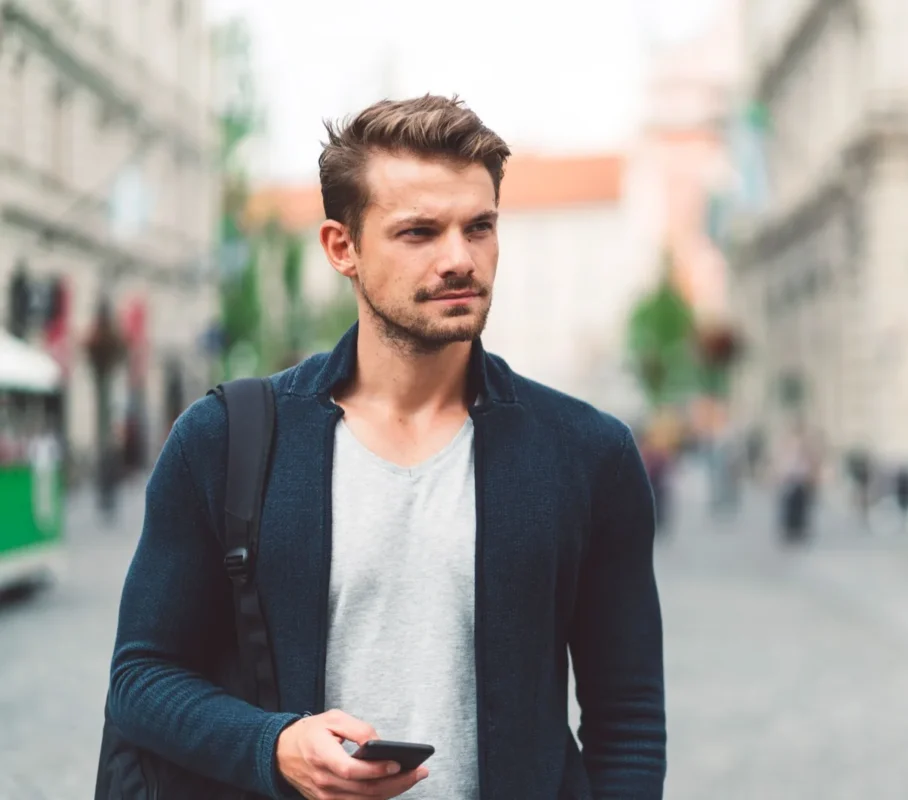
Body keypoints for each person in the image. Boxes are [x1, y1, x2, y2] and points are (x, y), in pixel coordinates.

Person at [104, 95, 666, 800]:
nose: (460, 258)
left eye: (480, 226)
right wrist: (274, 747)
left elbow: (628, 719)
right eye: (420, 232)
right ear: (343, 248)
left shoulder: (588, 455)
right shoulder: (224, 441)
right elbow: (141, 678)